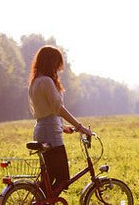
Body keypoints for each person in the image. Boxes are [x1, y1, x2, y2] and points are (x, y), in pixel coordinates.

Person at [28, 45, 92, 196]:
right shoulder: (46, 82)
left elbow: (45, 111)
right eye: (57, 63)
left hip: (42, 129)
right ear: (51, 62)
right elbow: (58, 108)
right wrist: (80, 127)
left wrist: (63, 127)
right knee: (63, 178)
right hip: (50, 133)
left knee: (49, 177)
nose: (58, 68)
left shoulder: (35, 82)